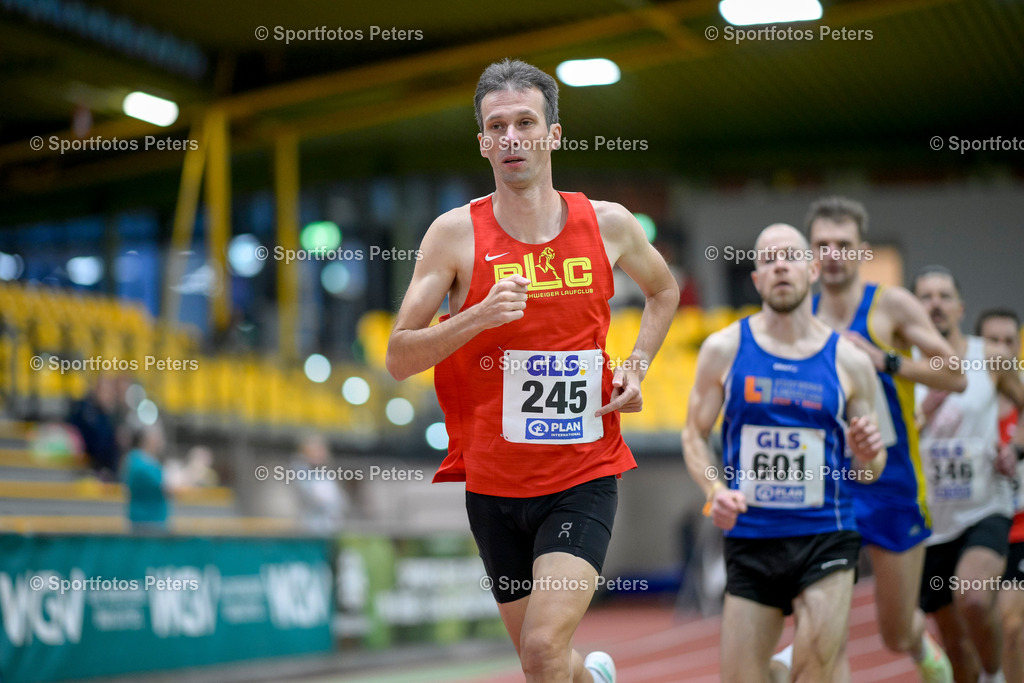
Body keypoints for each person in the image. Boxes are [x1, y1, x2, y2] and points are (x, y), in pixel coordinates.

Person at [385, 59, 678, 683]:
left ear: (554, 135)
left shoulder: (608, 224)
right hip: (493, 486)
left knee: (542, 650)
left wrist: (637, 367)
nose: (512, 137)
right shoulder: (454, 235)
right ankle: (594, 677)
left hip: (583, 471)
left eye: (526, 123)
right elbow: (398, 356)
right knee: (544, 663)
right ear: (484, 143)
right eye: (498, 127)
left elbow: (664, 292)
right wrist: (477, 317)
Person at [683, 223, 886, 682]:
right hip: (752, 536)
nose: (780, 265)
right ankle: (781, 665)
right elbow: (693, 434)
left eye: (790, 256)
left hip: (825, 533)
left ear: (812, 269)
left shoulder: (849, 361)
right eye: (768, 259)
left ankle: (808, 658)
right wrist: (715, 491)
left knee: (816, 669)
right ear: (756, 279)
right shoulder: (725, 349)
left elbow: (871, 470)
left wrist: (866, 454)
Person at [806, 197, 966, 682]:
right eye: (822, 245)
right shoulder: (800, 307)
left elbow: (954, 373)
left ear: (861, 252)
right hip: (829, 483)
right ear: (811, 252)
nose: (833, 254)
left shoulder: (891, 304)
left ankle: (921, 646)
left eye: (843, 245)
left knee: (895, 633)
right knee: (821, 629)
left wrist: (886, 360)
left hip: (892, 484)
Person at [914, 275, 1024, 683]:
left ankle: (996, 677)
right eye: (925, 297)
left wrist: (1014, 449)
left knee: (975, 598)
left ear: (961, 308)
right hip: (929, 523)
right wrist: (924, 409)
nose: (936, 303)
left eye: (945, 296)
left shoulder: (990, 357)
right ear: (913, 309)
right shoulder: (900, 363)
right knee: (956, 647)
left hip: (986, 507)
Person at [978, 309, 1024, 683]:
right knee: (974, 627)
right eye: (992, 340)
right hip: (975, 528)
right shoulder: (966, 397)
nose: (1001, 350)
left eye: (1010, 341)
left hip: (1020, 532)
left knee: (1012, 627)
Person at [121, 422, 179, 533]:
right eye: (159, 436)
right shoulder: (138, 462)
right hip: (146, 523)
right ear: (149, 439)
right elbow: (168, 487)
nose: (162, 441)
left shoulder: (148, 461)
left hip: (155, 521)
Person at [291, 434, 348, 535]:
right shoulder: (301, 472)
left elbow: (341, 501)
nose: (320, 454)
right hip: (311, 528)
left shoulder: (325, 474)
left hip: (331, 527)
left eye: (321, 450)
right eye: (315, 451)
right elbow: (314, 499)